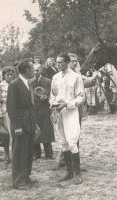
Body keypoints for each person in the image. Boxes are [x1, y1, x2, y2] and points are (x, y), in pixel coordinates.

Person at [50, 53, 85, 184]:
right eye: (57, 62)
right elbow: (52, 95)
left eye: (60, 62)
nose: (58, 64)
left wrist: (67, 104)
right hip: (58, 112)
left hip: (71, 112)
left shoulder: (76, 77)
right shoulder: (55, 77)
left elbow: (81, 97)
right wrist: (53, 106)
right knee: (63, 142)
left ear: (67, 62)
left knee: (72, 142)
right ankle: (69, 173)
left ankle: (78, 174)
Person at [7, 58, 39, 189]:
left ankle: (26, 177)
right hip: (20, 124)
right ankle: (18, 181)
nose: (34, 71)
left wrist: (35, 124)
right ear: (26, 70)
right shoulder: (14, 84)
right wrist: (17, 126)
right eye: (32, 68)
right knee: (19, 151)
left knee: (28, 151)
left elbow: (30, 106)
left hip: (29, 122)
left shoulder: (28, 83)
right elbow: (11, 107)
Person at [31, 64, 55, 159]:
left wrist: (47, 97)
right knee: (35, 131)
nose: (35, 72)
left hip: (44, 109)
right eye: (34, 70)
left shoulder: (48, 81)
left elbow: (53, 95)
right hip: (34, 110)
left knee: (46, 130)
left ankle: (49, 153)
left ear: (41, 70)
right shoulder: (30, 82)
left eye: (37, 70)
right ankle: (36, 154)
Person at [0, 67, 15, 164]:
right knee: (6, 134)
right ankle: (7, 155)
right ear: (3, 75)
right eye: (8, 75)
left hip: (15, 112)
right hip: (5, 112)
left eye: (11, 74)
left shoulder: (15, 84)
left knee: (15, 134)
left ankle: (15, 154)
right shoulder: (0, 86)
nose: (10, 76)